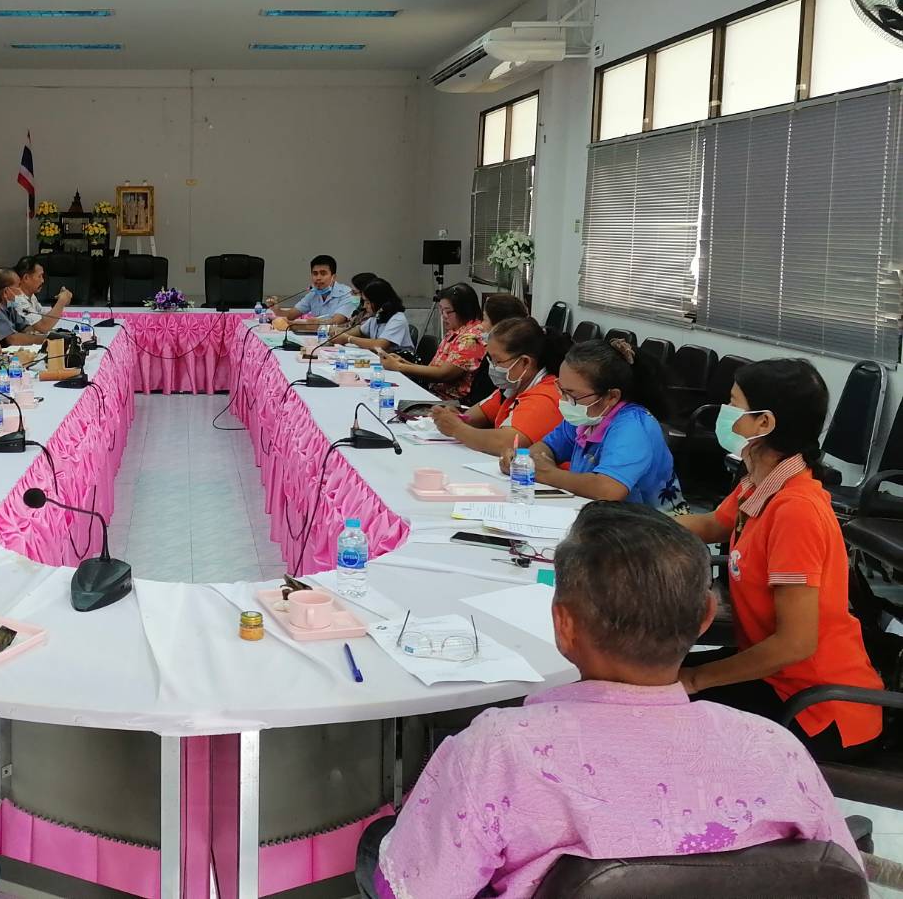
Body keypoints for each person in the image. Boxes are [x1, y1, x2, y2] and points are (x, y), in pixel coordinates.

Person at [365, 501, 863, 899]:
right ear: (707, 617)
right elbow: (841, 879)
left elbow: (412, 887)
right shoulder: (775, 748)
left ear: (563, 624)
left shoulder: (497, 751)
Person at [676, 358, 884, 760]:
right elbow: (711, 525)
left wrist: (698, 679)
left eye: (733, 403)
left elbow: (796, 643)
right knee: (649, 675)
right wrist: (631, 521)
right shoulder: (762, 482)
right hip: (776, 676)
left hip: (817, 706)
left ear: (763, 423)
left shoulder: (796, 510)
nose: (725, 411)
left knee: (664, 707)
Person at [498, 338, 684, 511]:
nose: (564, 400)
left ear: (612, 396)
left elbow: (608, 490)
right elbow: (548, 447)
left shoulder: (633, 427)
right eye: (561, 389)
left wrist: (546, 473)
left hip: (652, 531)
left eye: (572, 393)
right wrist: (524, 461)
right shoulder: (587, 415)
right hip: (600, 517)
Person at [431, 316, 567, 455]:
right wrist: (455, 418)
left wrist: (457, 429)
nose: (492, 367)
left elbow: (506, 443)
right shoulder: (512, 386)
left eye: (498, 361)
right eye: (490, 359)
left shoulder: (547, 395)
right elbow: (473, 417)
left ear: (525, 362)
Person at [379, 281, 485, 400]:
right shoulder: (456, 330)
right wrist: (403, 362)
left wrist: (399, 366)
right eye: (441, 310)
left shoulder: (471, 338)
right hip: (432, 393)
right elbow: (435, 369)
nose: (443, 316)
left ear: (464, 310)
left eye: (448, 311)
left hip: (449, 403)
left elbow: (442, 374)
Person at [267, 254, 357, 326]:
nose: (318, 278)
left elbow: (337, 322)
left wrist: (311, 323)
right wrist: (277, 310)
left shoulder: (347, 294)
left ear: (333, 277)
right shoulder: (314, 293)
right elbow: (291, 315)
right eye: (315, 274)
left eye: (323, 273)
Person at [343, 279, 412, 351]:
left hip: (400, 360)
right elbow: (359, 331)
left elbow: (380, 345)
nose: (364, 306)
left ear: (379, 302)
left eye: (368, 302)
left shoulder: (397, 319)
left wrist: (349, 339)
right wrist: (336, 333)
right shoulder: (377, 315)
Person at [0, 266, 48, 347]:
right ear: (6, 291)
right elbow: (12, 339)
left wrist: (31, 333)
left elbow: (24, 327)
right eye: (18, 286)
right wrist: (45, 339)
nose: (21, 290)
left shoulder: (10, 305)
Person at [12, 255, 72, 333]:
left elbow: (44, 317)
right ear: (26, 278)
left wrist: (58, 303)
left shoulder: (31, 295)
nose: (43, 281)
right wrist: (61, 301)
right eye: (39, 276)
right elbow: (43, 327)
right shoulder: (18, 299)